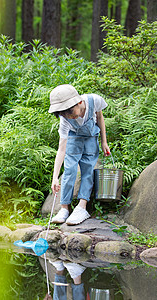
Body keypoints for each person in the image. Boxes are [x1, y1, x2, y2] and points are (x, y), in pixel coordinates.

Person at [48, 84, 110, 225]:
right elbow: (61, 149)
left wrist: (104, 142)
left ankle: (82, 207)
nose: (68, 116)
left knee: (88, 170)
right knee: (69, 170)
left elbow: (100, 118)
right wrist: (55, 177)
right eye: (63, 114)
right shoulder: (65, 120)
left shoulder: (95, 101)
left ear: (79, 102)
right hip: (73, 139)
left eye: (69, 111)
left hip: (91, 138)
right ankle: (64, 208)